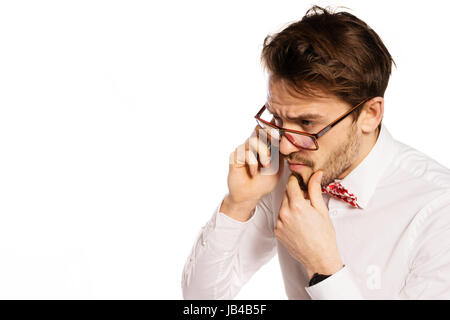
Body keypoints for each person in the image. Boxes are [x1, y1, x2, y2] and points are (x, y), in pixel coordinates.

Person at [181, 5, 450, 299]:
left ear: (370, 114)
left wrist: (323, 267)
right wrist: (238, 203)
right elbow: (202, 300)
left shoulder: (439, 211)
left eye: (307, 123)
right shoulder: (279, 173)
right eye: (278, 119)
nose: (284, 145)